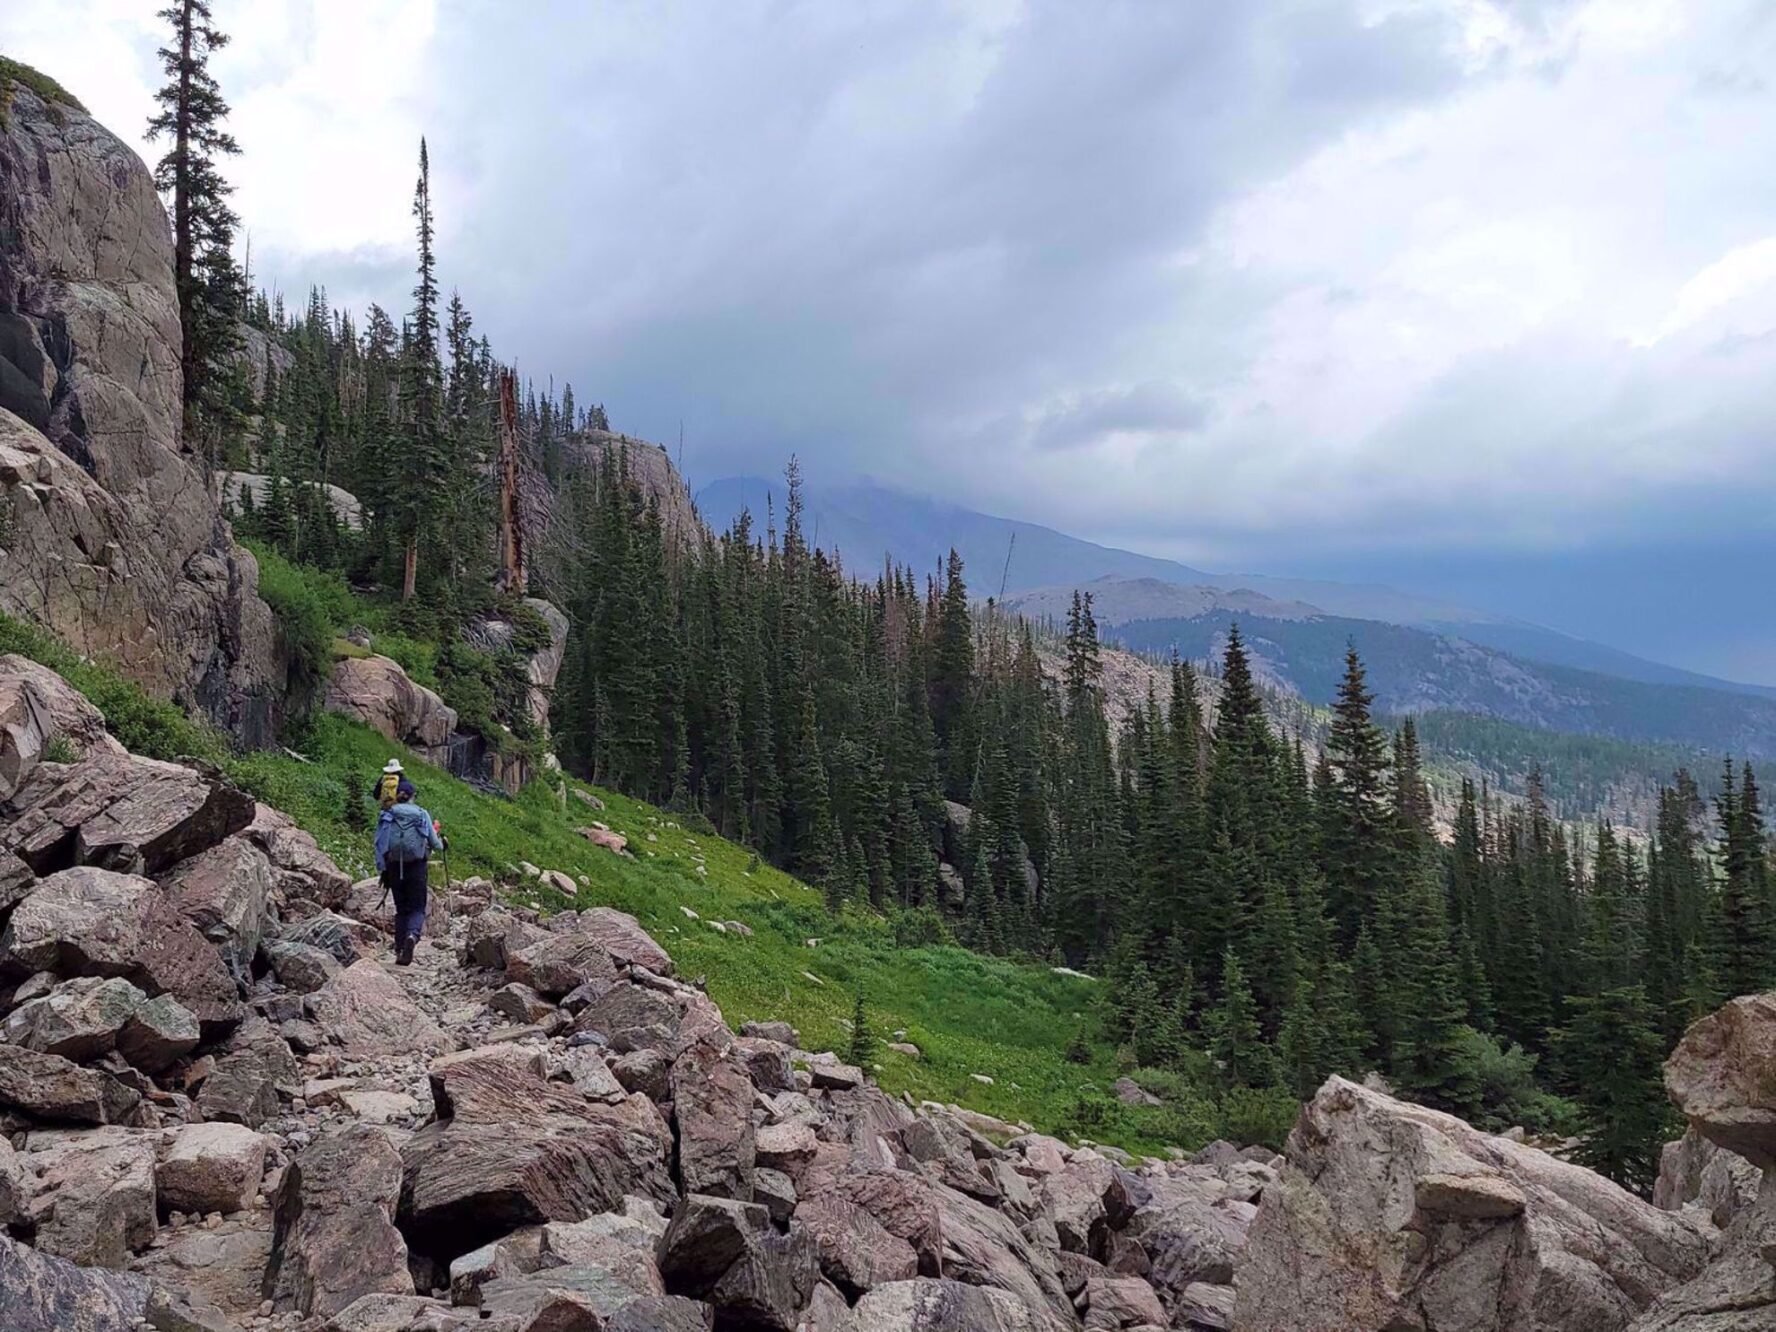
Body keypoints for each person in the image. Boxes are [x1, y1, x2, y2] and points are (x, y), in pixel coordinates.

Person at [374, 779, 443, 966]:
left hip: (395, 866)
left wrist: (382, 868)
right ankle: (412, 935)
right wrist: (443, 842)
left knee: (401, 909)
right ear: (413, 796)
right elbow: (435, 843)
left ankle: (399, 950)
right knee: (417, 907)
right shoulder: (421, 814)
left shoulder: (387, 814)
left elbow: (379, 842)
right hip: (417, 866)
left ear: (397, 796)